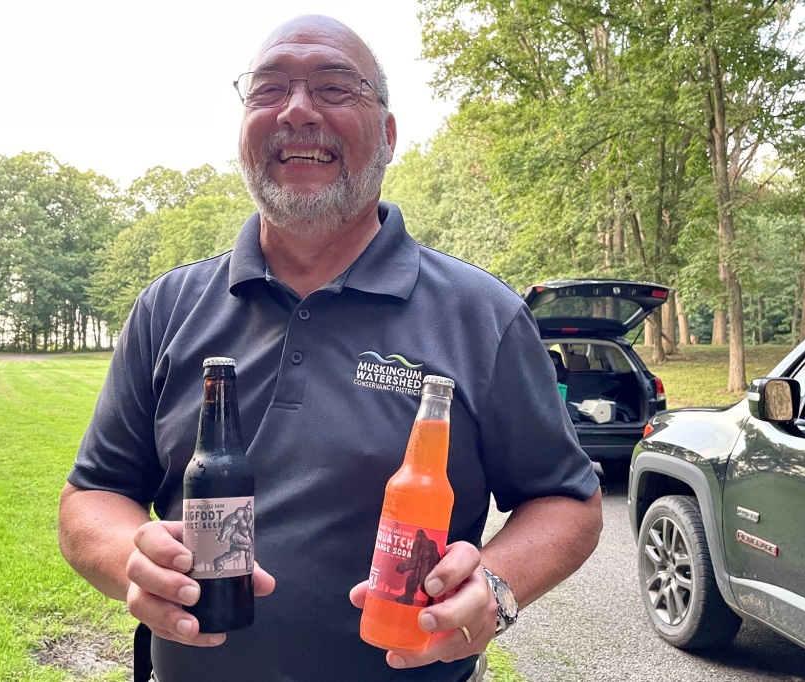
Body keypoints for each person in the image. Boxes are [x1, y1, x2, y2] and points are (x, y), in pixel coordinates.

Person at [58, 14, 602, 682]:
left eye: (335, 88)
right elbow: (93, 496)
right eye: (267, 90)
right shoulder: (167, 308)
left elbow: (568, 502)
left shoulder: (481, 314)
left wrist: (497, 583)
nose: (295, 111)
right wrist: (128, 558)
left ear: (390, 135)